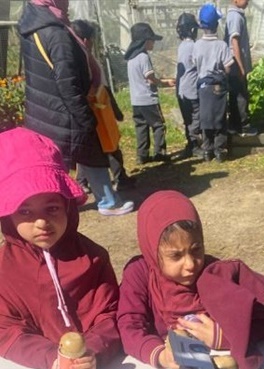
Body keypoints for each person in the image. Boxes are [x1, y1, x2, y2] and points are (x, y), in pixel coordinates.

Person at [0, 127, 122, 369]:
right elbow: (5, 331)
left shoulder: (93, 258)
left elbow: (112, 315)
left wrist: (94, 351)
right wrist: (49, 357)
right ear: (7, 215)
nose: (42, 222)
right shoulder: (4, 270)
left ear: (67, 205)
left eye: (52, 208)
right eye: (25, 211)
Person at [117, 190, 264, 369]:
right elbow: (129, 325)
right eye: (176, 255)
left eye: (196, 250)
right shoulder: (140, 274)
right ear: (151, 250)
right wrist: (160, 355)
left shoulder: (217, 273)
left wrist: (223, 337)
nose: (190, 265)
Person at [18, 0, 133, 216]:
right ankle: (103, 202)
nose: (67, 3)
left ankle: (88, 201)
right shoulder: (57, 34)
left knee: (72, 158)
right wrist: (84, 116)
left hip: (44, 109)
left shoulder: (31, 28)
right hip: (65, 111)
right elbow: (67, 82)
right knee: (87, 153)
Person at [70, 18, 135, 191]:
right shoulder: (82, 60)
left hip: (97, 108)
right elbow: (99, 86)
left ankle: (90, 181)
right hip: (94, 110)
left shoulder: (85, 57)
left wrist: (115, 109)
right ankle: (114, 178)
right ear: (86, 40)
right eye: (92, 39)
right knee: (106, 145)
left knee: (97, 145)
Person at [124, 22, 176, 165]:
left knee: (141, 127)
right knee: (158, 125)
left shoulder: (131, 58)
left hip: (136, 101)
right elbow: (151, 79)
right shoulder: (143, 57)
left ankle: (142, 155)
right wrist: (165, 83)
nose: (153, 42)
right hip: (148, 100)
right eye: (152, 40)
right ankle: (160, 152)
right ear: (145, 41)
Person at [194, 4, 234, 163]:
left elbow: (194, 63)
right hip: (218, 87)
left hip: (203, 88)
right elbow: (228, 67)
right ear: (216, 25)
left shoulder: (197, 45)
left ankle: (207, 151)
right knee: (219, 118)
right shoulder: (221, 45)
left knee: (206, 118)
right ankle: (219, 151)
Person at [224, 0, 257, 136]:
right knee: (240, 94)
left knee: (235, 93)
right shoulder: (235, 17)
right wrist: (241, 66)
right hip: (236, 62)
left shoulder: (237, 15)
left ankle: (234, 124)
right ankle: (243, 125)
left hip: (235, 62)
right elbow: (234, 42)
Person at [175, 12, 202, 158]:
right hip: (192, 90)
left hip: (181, 90)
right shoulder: (193, 46)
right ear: (192, 30)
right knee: (196, 117)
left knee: (188, 119)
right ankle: (194, 145)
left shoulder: (182, 46)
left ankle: (190, 143)